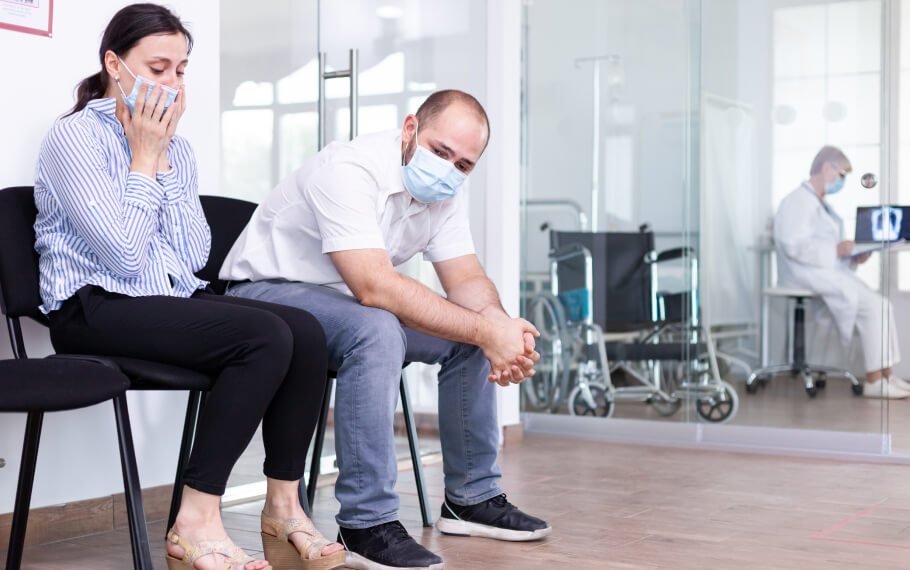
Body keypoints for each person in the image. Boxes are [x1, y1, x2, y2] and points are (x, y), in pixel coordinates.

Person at [33, 4, 345, 569]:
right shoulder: (73, 140)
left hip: (165, 300)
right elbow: (125, 257)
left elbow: (195, 254)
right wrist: (146, 157)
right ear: (114, 64)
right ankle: (196, 518)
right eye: (158, 68)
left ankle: (283, 504)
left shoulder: (179, 148)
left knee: (305, 331)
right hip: (94, 308)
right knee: (265, 336)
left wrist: (166, 157)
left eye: (180, 70)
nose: (172, 83)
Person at [220, 90, 551, 569]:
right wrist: (486, 329)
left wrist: (500, 330)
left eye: (463, 165)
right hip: (265, 294)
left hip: (344, 302)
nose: (449, 169)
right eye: (441, 152)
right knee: (376, 329)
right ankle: (365, 523)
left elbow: (467, 280)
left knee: (470, 334)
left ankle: (472, 496)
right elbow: (375, 287)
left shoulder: (444, 194)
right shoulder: (350, 169)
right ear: (411, 128)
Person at [774, 145, 908, 399]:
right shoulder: (797, 201)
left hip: (824, 270)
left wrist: (852, 256)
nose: (843, 181)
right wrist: (836, 250)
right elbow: (792, 244)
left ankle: (887, 375)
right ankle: (873, 380)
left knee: (883, 305)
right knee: (874, 307)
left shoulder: (822, 204)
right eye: (843, 174)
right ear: (827, 168)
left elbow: (826, 250)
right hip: (802, 272)